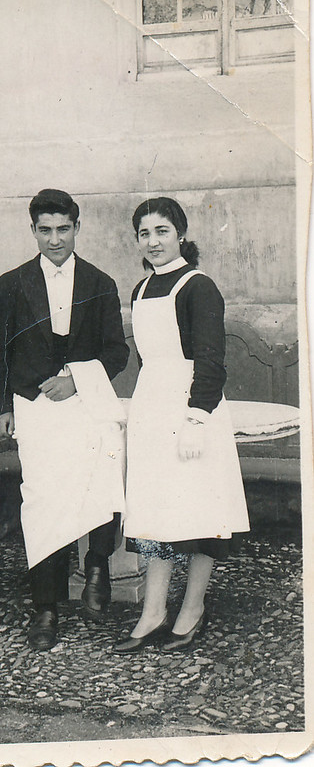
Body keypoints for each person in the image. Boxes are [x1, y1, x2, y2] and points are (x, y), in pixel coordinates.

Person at [0, 189, 129, 651]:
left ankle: (96, 564)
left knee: (106, 473)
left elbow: (117, 351)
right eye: (45, 230)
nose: (54, 239)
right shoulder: (9, 285)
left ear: (77, 227)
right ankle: (45, 609)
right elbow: (1, 355)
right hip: (37, 408)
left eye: (63, 229)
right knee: (44, 503)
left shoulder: (100, 281)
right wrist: (3, 407)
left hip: (87, 402)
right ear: (33, 231)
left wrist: (78, 379)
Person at [115, 197, 250, 654]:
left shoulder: (199, 287)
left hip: (193, 412)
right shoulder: (140, 289)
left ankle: (192, 608)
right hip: (154, 410)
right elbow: (145, 361)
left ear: (180, 234)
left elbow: (211, 360)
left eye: (162, 232)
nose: (153, 241)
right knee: (156, 512)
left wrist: (196, 418)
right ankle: (153, 611)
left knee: (197, 512)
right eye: (145, 233)